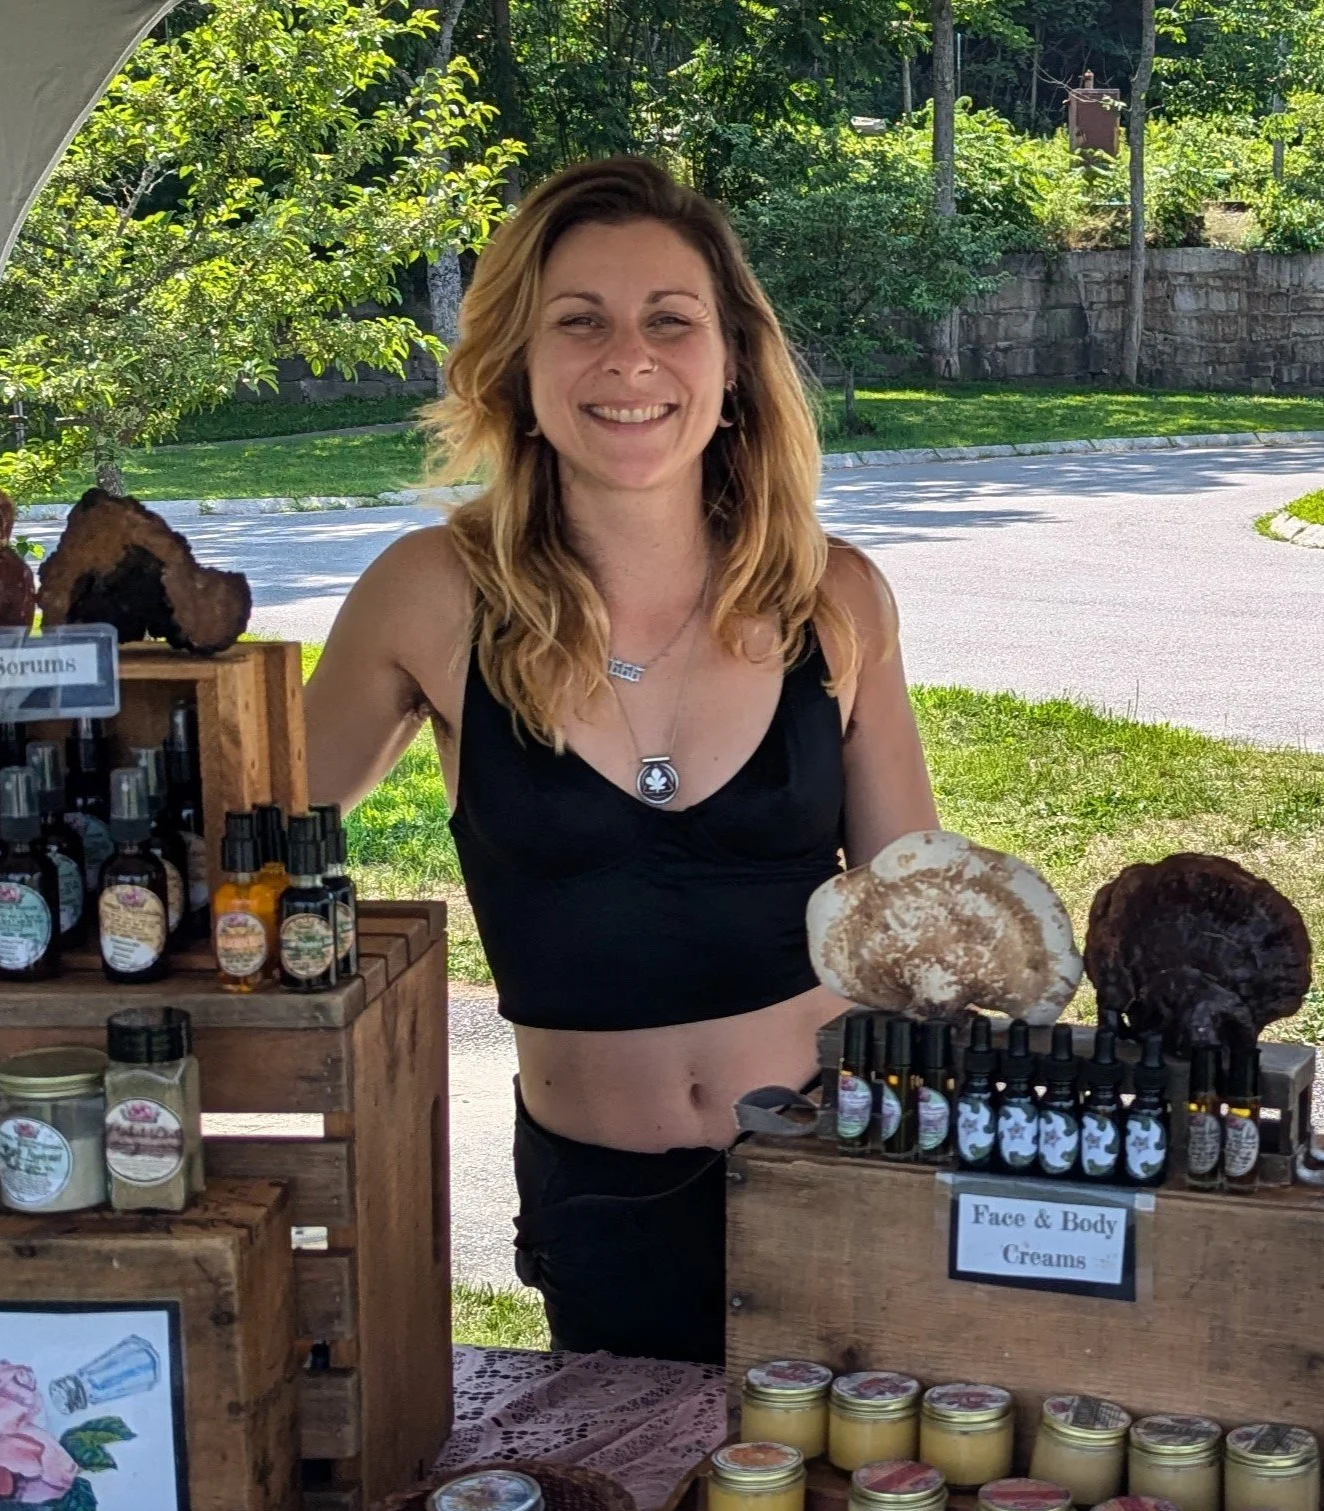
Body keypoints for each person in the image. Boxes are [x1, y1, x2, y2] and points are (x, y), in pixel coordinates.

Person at [305, 156, 937, 1364]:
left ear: (733, 363)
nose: (628, 360)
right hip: (600, 1205)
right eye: (579, 322)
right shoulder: (432, 596)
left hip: (833, 1171)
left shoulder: (835, 599)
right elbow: (252, 821)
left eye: (669, 322)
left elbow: (914, 912)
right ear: (517, 371)